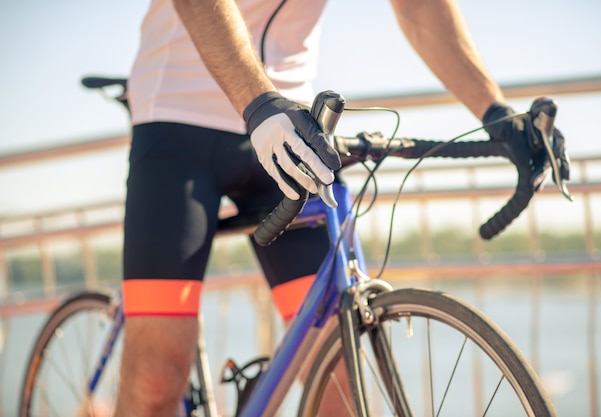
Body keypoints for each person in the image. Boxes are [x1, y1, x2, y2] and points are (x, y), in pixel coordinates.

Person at [114, 0, 567, 416]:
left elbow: (421, 7)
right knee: (157, 375)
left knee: (340, 373)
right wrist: (257, 102)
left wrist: (494, 113)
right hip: (178, 117)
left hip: (289, 124)